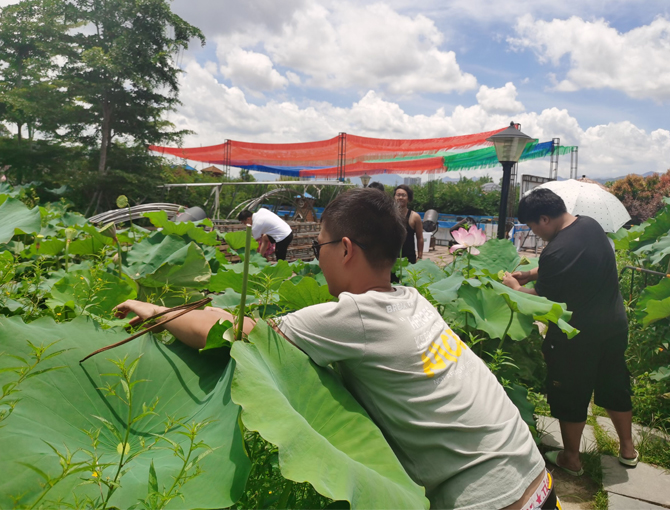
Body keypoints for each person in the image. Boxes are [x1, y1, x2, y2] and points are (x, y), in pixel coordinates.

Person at [116, 189, 558, 510]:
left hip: (491, 501)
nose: (315, 256)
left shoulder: (359, 317)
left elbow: (238, 329)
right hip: (537, 479)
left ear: (344, 249)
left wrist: (156, 310)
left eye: (317, 246)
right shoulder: (414, 300)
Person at [502, 188, 636, 476]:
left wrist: (515, 287)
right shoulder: (590, 225)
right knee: (615, 383)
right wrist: (532, 272)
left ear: (544, 218)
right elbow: (574, 262)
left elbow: (538, 301)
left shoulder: (555, 251)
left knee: (571, 393)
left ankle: (571, 459)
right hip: (613, 325)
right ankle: (628, 450)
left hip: (576, 336)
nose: (536, 234)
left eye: (535, 227)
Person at [394, 184, 423, 262]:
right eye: (398, 195)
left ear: (409, 199)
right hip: (391, 257)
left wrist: (419, 256)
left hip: (409, 258)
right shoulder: (389, 215)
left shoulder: (415, 217)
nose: (400, 198)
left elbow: (420, 237)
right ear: (394, 197)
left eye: (404, 195)